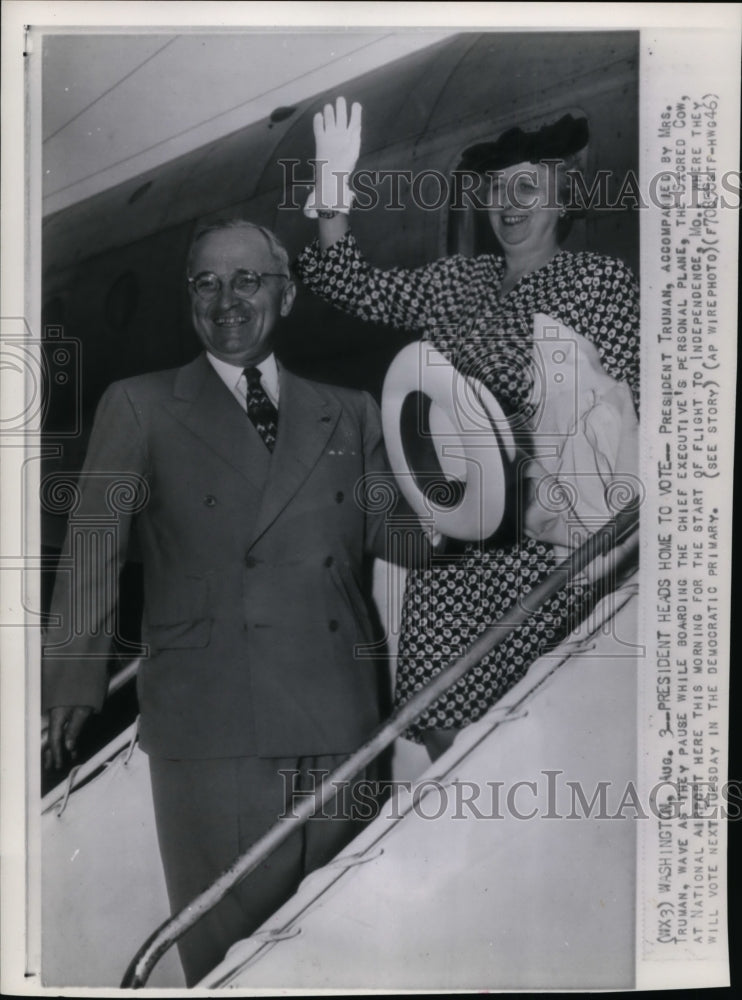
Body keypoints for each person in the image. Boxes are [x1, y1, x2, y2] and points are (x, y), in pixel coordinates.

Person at [41, 219, 428, 985]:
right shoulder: (142, 405)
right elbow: (92, 549)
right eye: (206, 283)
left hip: (341, 722)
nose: (226, 300)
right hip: (215, 732)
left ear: (284, 294)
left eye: (247, 280)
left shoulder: (347, 410)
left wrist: (473, 503)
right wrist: (72, 685)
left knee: (347, 949)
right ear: (190, 299)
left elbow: (401, 535)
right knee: (235, 963)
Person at [296, 99, 640, 761]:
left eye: (527, 187)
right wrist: (332, 196)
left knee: (531, 723)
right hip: (452, 539)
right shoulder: (461, 279)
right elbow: (351, 287)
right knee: (437, 716)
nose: (509, 203)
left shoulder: (598, 282)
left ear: (562, 195)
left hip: (541, 538)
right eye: (496, 189)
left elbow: (634, 409)